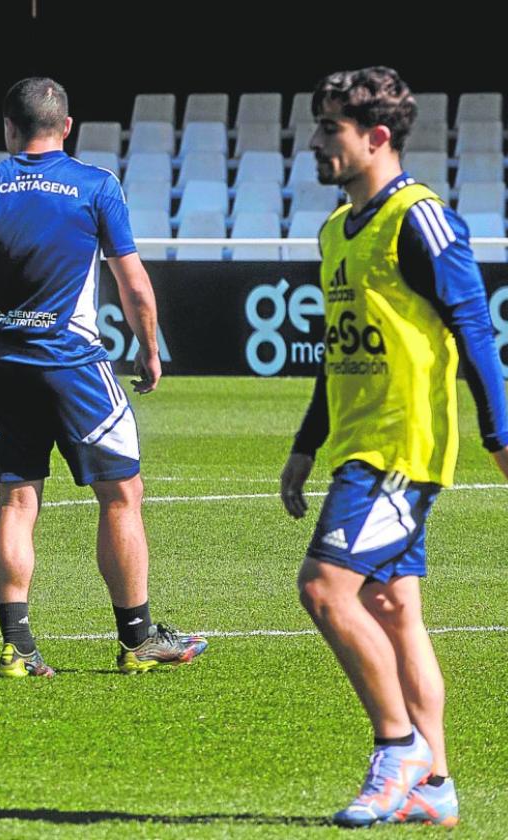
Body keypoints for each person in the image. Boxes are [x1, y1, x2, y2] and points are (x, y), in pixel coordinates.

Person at [0, 77, 207, 677]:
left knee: (18, 499)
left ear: (8, 128)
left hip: (1, 360)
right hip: (72, 361)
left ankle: (18, 647)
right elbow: (135, 285)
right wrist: (151, 350)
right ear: (66, 127)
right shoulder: (96, 185)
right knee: (122, 496)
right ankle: (137, 639)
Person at [280, 66, 508, 828]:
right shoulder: (335, 231)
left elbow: (475, 330)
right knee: (392, 605)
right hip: (355, 445)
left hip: (399, 450)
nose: (315, 142)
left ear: (376, 136)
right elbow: (336, 348)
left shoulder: (422, 219)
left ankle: (397, 745)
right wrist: (306, 447)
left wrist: (499, 435)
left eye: (329, 130)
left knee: (324, 589)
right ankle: (435, 783)